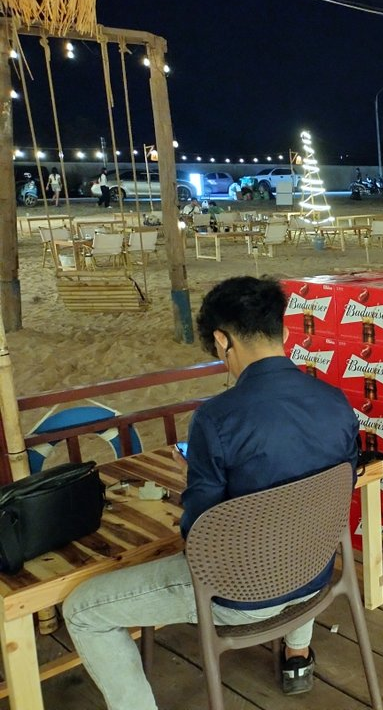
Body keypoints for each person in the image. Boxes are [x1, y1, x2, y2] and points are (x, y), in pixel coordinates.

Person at [63, 276, 361, 709]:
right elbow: (331, 493)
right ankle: (297, 653)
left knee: (82, 609)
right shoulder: (336, 402)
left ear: (222, 340)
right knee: (297, 517)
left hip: (240, 596)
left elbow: (200, 534)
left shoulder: (216, 419)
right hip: (315, 574)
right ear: (285, 331)